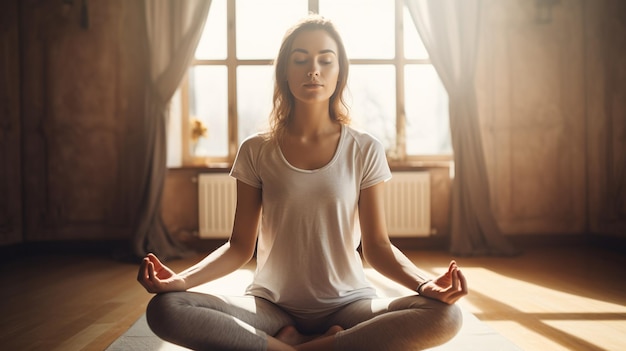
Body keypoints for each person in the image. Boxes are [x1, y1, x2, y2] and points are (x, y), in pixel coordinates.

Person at [138, 14, 467, 351]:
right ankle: (324, 344)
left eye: (326, 60)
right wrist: (181, 280)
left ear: (339, 72)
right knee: (167, 308)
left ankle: (289, 346)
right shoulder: (256, 150)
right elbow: (239, 246)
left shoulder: (365, 148)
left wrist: (425, 284)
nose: (314, 69)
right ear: (285, 71)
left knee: (446, 316)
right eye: (300, 60)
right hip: (271, 306)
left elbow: (378, 248)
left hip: (351, 304)